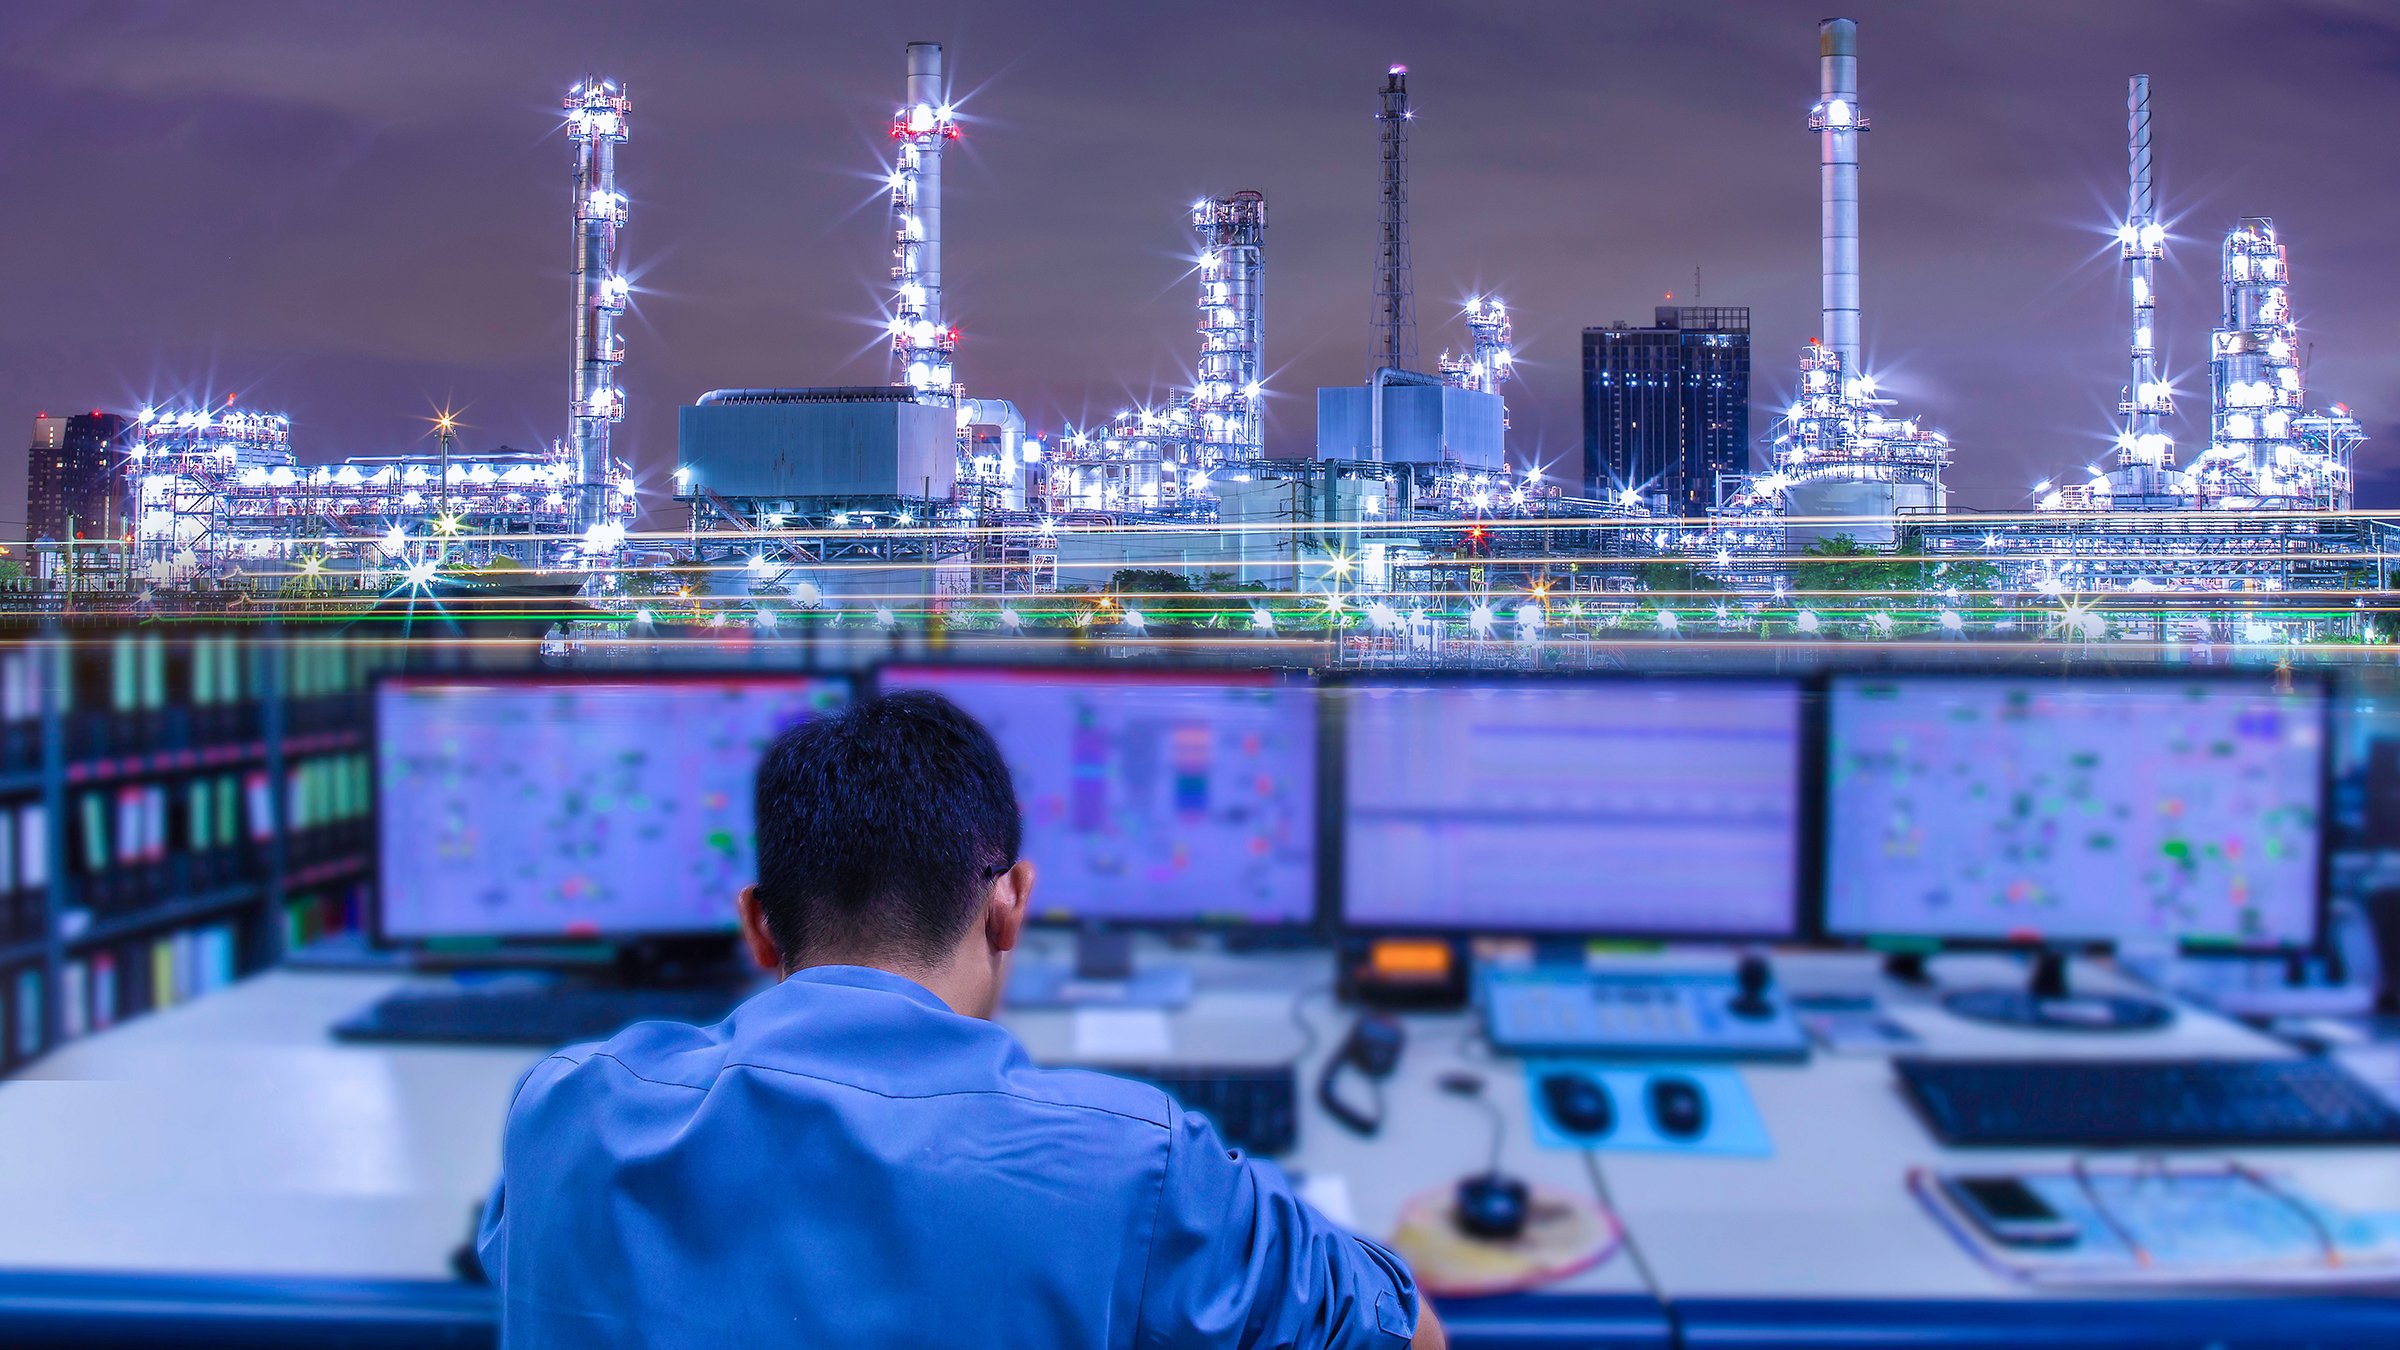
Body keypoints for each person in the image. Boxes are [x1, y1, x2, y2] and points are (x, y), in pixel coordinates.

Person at [478, 690, 1441, 1349]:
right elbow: (1409, 1339)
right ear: (1008, 906)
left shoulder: (559, 1113)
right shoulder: (1136, 1168)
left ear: (760, 929)